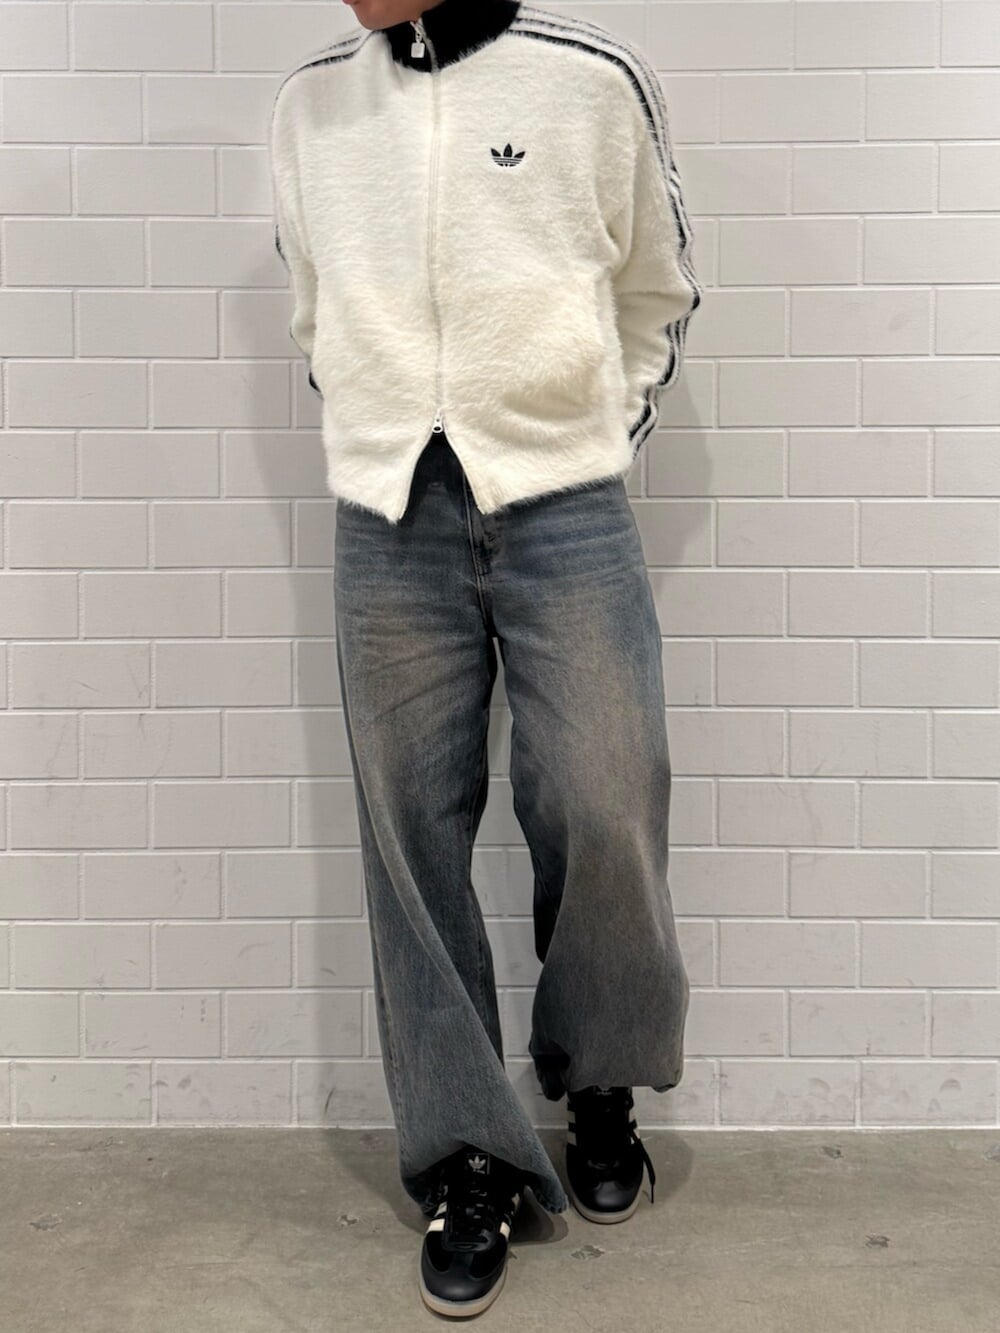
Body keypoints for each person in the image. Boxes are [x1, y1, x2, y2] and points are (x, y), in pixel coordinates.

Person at [269, 0, 700, 1317]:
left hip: (568, 503)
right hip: (388, 513)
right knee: (408, 835)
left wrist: (593, 434)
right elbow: (313, 308)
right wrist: (382, 424)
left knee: (604, 795)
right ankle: (469, 1157)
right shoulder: (310, 106)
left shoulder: (592, 77)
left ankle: (600, 1082)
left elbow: (657, 288)